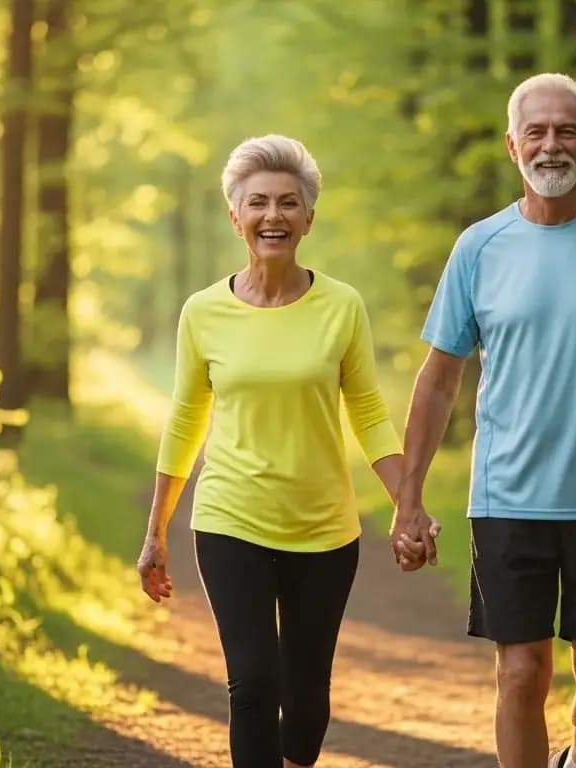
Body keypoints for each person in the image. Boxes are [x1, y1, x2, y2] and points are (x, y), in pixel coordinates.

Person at [391, 72, 576, 768]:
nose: (551, 144)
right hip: (508, 497)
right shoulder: (479, 247)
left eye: (565, 131)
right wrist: (409, 497)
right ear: (512, 144)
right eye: (537, 131)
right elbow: (439, 379)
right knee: (521, 674)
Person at [136, 134, 408, 768]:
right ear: (236, 217)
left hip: (323, 528)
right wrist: (156, 531)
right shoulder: (203, 312)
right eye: (257, 202)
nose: (273, 215)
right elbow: (184, 420)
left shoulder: (341, 306)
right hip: (231, 520)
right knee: (254, 683)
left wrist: (409, 504)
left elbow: (367, 411)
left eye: (289, 203)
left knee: (307, 695)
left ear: (309, 218)